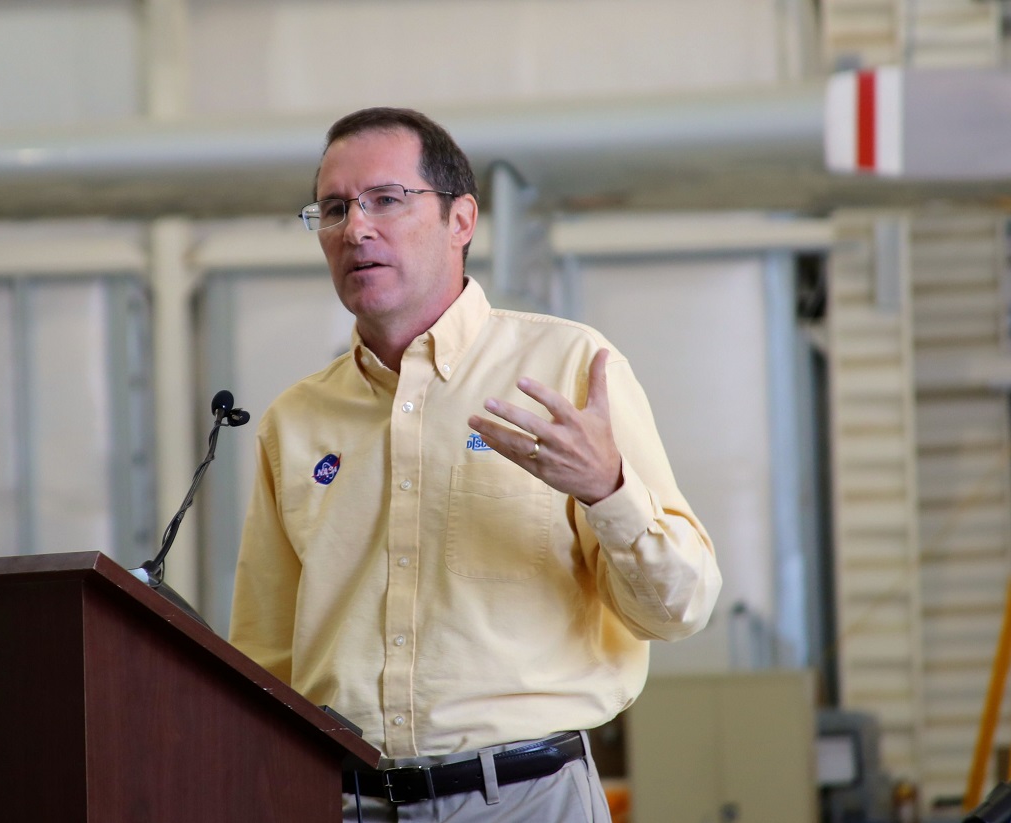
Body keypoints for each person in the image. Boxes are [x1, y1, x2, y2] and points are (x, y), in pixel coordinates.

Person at [228, 107, 722, 823]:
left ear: (462, 220)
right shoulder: (295, 420)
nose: (355, 227)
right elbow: (265, 655)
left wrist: (607, 489)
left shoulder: (570, 368)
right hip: (345, 802)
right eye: (334, 208)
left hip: (526, 799)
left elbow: (681, 608)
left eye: (386, 200)